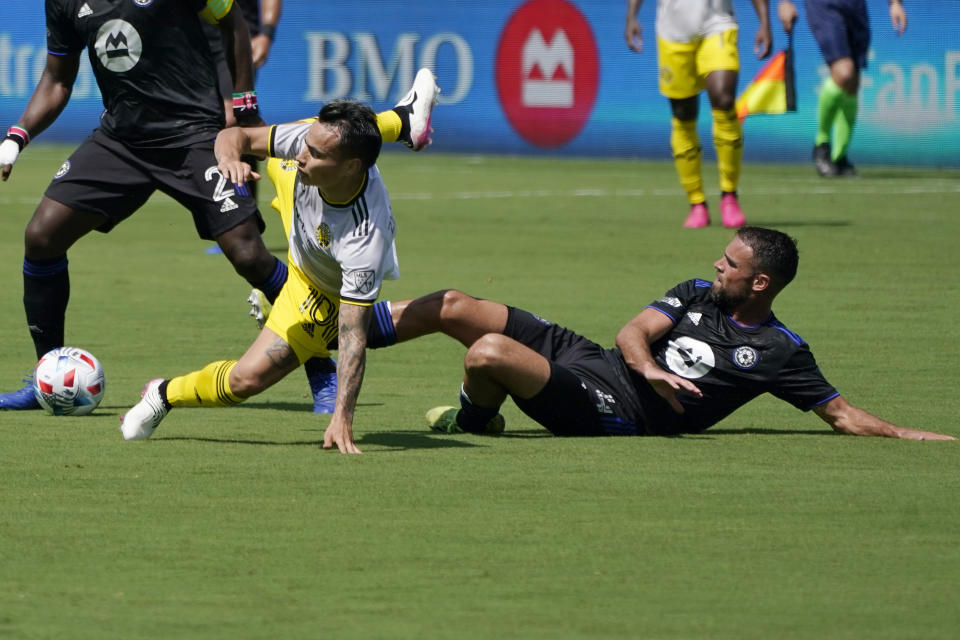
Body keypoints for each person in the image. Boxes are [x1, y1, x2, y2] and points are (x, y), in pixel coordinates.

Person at [0, 0, 437, 411]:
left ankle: (317, 359)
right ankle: (46, 375)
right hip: (122, 141)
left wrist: (244, 108)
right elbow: (57, 80)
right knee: (42, 236)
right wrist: (17, 137)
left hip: (196, 135)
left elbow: (233, 22)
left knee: (248, 254)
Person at [360, 227, 954, 441]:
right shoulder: (698, 290)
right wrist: (647, 365)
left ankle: (472, 420)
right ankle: (336, 333)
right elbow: (633, 331)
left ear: (761, 282)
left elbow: (843, 415)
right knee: (458, 306)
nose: (718, 268)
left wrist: (916, 435)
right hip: (595, 361)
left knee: (487, 353)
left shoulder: (780, 352)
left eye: (731, 265)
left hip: (613, 409)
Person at [122, 100, 398, 454]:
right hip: (297, 192)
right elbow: (232, 135)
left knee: (244, 381)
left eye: (314, 151)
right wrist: (230, 159)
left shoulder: (364, 239)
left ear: (351, 167)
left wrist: (342, 418)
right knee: (284, 159)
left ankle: (164, 393)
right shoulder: (304, 146)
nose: (303, 153)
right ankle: (403, 120)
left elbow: (353, 336)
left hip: (312, 280)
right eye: (306, 144)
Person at [625, 0, 772, 229]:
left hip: (718, 24)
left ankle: (729, 194)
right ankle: (697, 202)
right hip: (672, 32)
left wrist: (764, 22)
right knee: (683, 114)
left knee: (724, 100)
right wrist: (631, 16)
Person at [777, 1, 906, 178]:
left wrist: (895, 3)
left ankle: (839, 156)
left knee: (853, 82)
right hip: (824, 5)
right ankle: (821, 144)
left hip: (855, 6)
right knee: (844, 72)